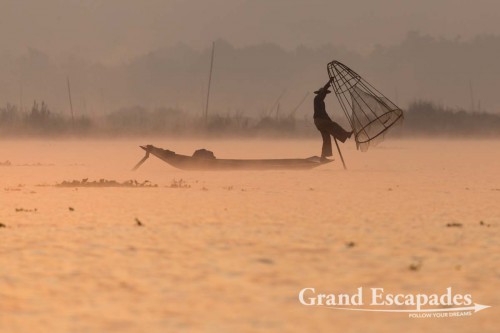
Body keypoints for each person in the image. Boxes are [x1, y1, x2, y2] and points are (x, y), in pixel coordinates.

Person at [313, 79, 353, 160]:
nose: (325, 95)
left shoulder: (321, 102)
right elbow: (324, 90)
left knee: (327, 138)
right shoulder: (317, 98)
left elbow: (325, 114)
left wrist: (329, 120)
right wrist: (329, 82)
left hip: (320, 121)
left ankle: (323, 157)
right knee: (334, 125)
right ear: (320, 93)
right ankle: (346, 134)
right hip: (319, 121)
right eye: (324, 93)